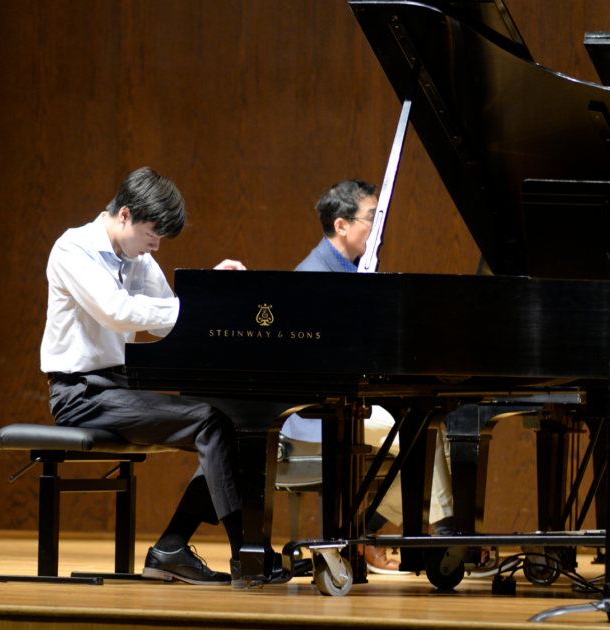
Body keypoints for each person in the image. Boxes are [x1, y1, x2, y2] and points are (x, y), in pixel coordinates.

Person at [40, 167, 250, 586]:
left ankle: (173, 547)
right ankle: (247, 556)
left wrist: (211, 291)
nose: (156, 245)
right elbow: (117, 313)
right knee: (212, 421)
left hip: (117, 387)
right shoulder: (72, 249)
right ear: (124, 215)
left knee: (232, 422)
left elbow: (167, 318)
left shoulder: (137, 255)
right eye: (152, 233)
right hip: (79, 394)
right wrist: (192, 308)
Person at [282, 179, 455, 574]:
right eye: (371, 218)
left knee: (426, 428)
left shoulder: (351, 272)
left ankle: (377, 530)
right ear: (342, 225)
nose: (379, 227)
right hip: (313, 414)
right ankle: (444, 534)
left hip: (345, 400)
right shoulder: (315, 276)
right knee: (421, 433)